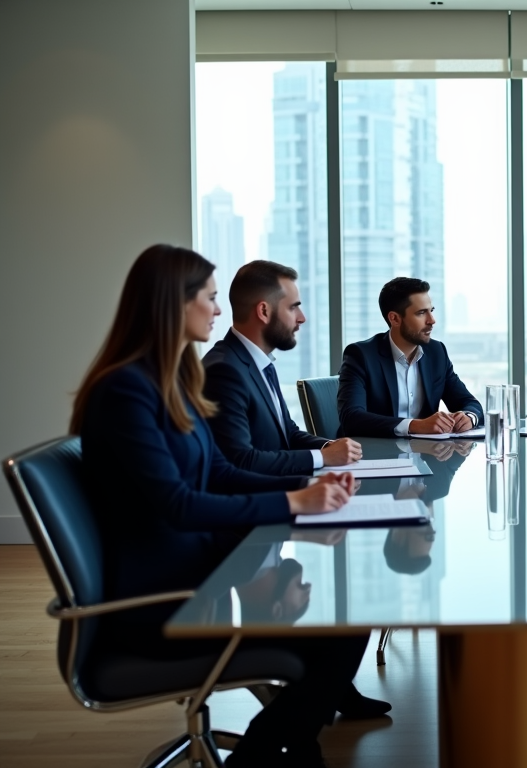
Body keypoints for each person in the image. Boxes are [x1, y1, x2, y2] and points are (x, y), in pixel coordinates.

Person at [69, 245, 380, 767]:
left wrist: (303, 500)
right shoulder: (125, 390)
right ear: (174, 304)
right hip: (165, 601)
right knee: (342, 632)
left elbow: (220, 472)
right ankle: (269, 752)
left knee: (346, 625)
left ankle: (283, 747)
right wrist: (293, 501)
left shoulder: (172, 381)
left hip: (198, 574)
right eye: (210, 298)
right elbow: (179, 505)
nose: (218, 310)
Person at [203, 260, 362, 475]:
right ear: (264, 311)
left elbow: (287, 432)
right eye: (293, 307)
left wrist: (329, 447)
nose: (301, 318)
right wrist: (322, 458)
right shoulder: (224, 371)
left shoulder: (260, 361)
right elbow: (240, 461)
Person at [337, 277, 483, 438]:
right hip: (373, 456)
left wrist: (469, 417)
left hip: (426, 455)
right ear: (395, 318)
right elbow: (352, 418)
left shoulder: (437, 352)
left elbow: (470, 403)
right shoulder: (361, 355)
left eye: (431, 311)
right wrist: (415, 425)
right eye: (421, 313)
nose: (432, 320)